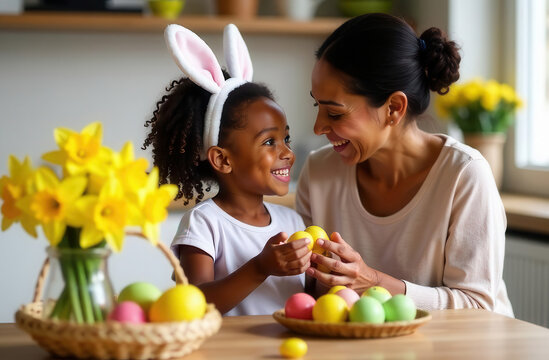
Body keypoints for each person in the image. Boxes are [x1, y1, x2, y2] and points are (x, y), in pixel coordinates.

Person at [297, 13, 514, 317]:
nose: (318, 127)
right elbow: (307, 296)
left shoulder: (464, 174)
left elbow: (478, 307)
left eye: (334, 114)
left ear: (393, 108)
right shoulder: (320, 172)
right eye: (316, 105)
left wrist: (371, 281)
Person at [143, 24, 311, 316]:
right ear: (222, 160)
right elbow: (195, 303)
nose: (287, 152)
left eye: (286, 139)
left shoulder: (293, 221)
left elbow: (309, 299)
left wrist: (328, 270)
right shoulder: (204, 223)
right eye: (270, 142)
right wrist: (261, 266)